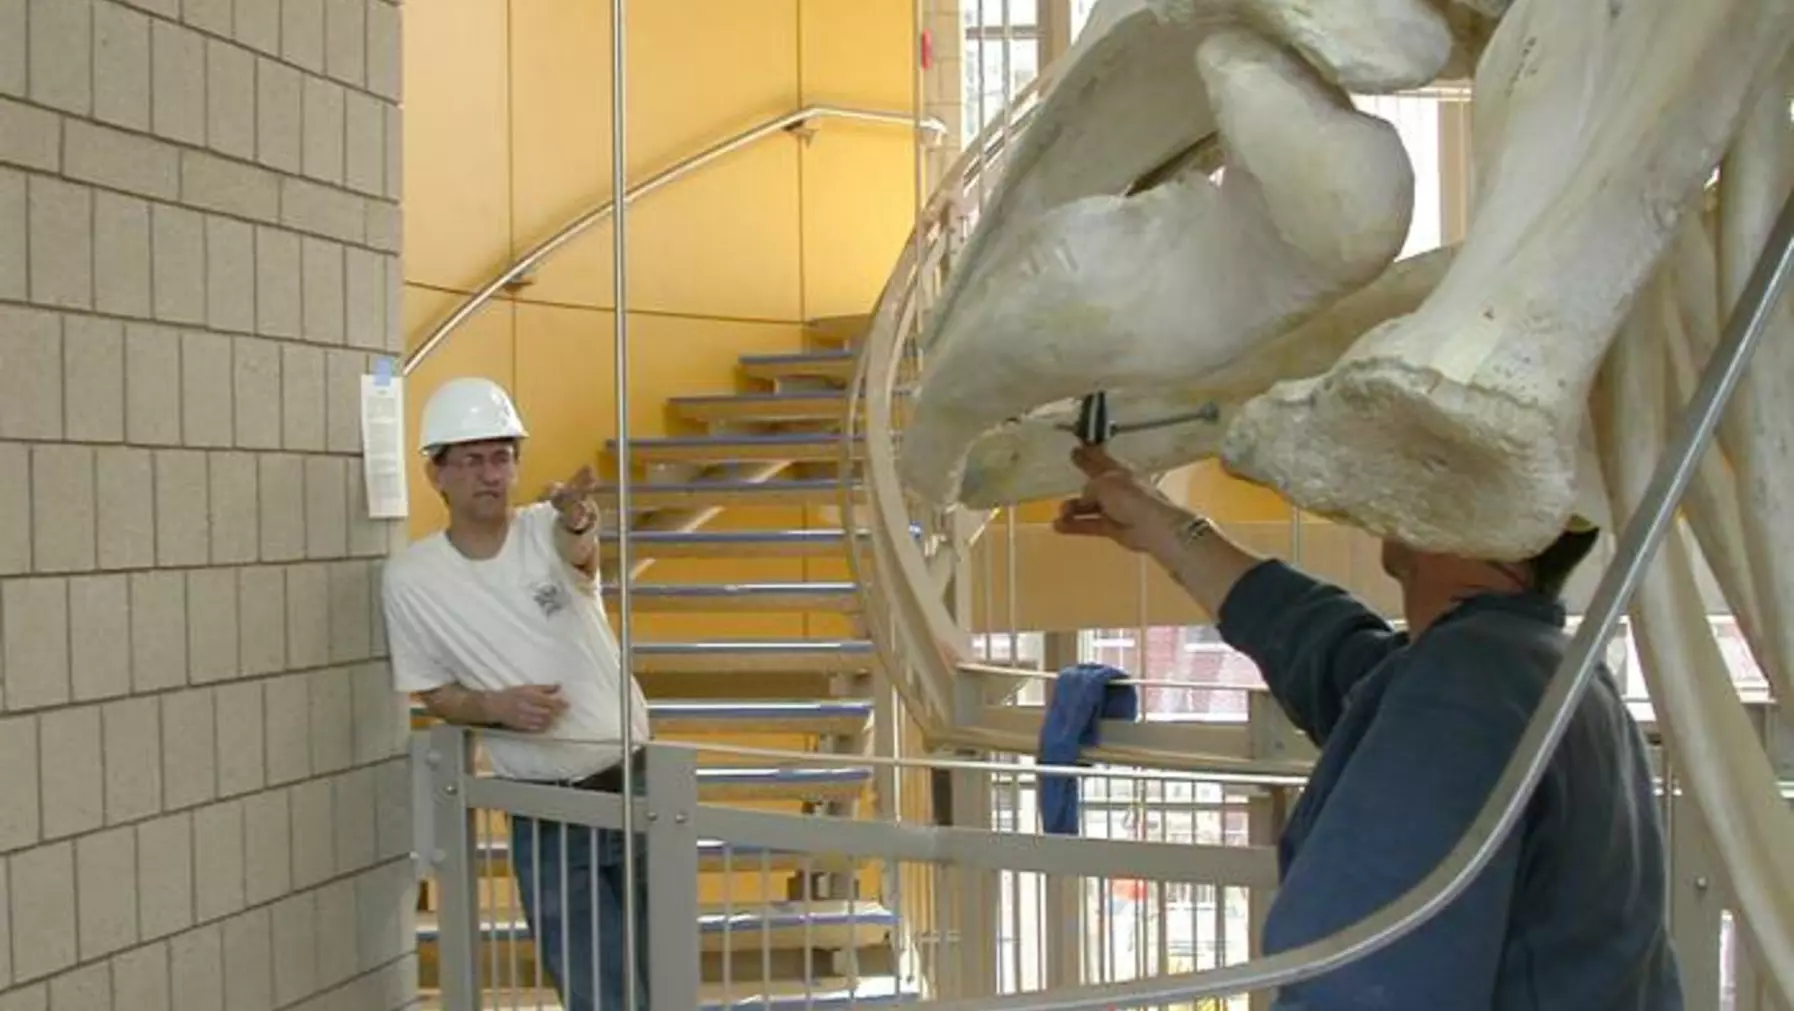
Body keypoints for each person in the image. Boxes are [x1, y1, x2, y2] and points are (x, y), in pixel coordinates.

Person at [1055, 443, 1682, 1010]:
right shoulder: (1535, 667)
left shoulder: (1466, 687)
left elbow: (1359, 983)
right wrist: (1167, 527)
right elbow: (1334, 657)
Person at [382, 376, 651, 1011]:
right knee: (599, 992)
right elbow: (434, 694)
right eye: (471, 459)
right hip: (548, 808)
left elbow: (577, 543)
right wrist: (495, 708)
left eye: (502, 457)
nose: (489, 474)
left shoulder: (543, 530)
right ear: (436, 475)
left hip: (639, 782)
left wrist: (581, 518)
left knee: (663, 977)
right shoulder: (413, 580)